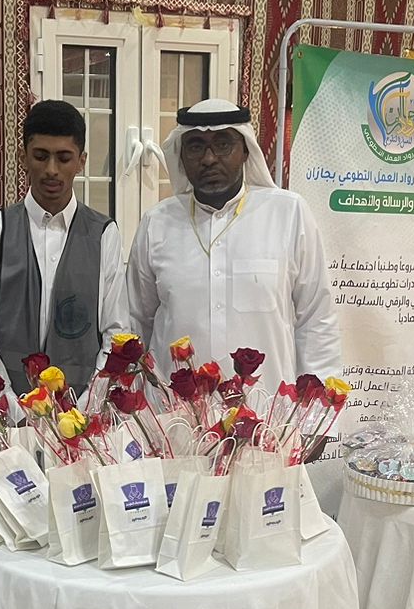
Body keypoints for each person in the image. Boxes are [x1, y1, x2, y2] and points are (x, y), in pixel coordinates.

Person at [127, 98, 342, 390]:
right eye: (195, 147)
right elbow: (136, 322)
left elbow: (316, 319)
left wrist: (317, 408)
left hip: (266, 409)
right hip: (173, 413)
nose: (209, 158)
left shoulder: (289, 214)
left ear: (245, 151)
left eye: (223, 144)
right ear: (181, 156)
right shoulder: (157, 223)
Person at [0, 99, 128, 397]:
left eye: (64, 158)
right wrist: (10, 404)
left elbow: (116, 331)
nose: (51, 170)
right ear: (23, 157)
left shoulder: (104, 233)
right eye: (41, 156)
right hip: (8, 408)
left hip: (81, 407)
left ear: (81, 161)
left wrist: (88, 404)